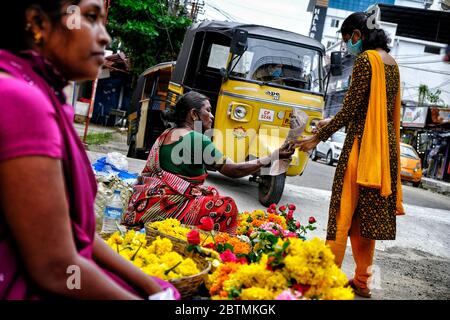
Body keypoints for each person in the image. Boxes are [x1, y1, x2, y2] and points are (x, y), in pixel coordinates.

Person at [0, 0, 179, 300]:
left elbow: (71, 232)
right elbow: (56, 267)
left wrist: (151, 286)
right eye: (91, 17)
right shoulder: (20, 100)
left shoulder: (41, 95)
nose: (106, 37)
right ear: (38, 23)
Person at [296, 12, 405, 298]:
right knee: (365, 219)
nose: (347, 47)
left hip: (361, 148)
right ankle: (362, 282)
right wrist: (328, 123)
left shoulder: (365, 61)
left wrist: (316, 137)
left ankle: (327, 278)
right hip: (385, 152)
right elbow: (370, 111)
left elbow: (351, 110)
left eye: (347, 40)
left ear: (357, 35)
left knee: (342, 214)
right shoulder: (392, 64)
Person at [122, 91, 295, 234]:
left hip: (150, 202)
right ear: (194, 114)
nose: (212, 116)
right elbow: (233, 170)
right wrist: (272, 156)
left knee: (210, 192)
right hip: (169, 206)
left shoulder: (167, 133)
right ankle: (209, 243)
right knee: (226, 206)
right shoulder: (196, 138)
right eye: (208, 111)